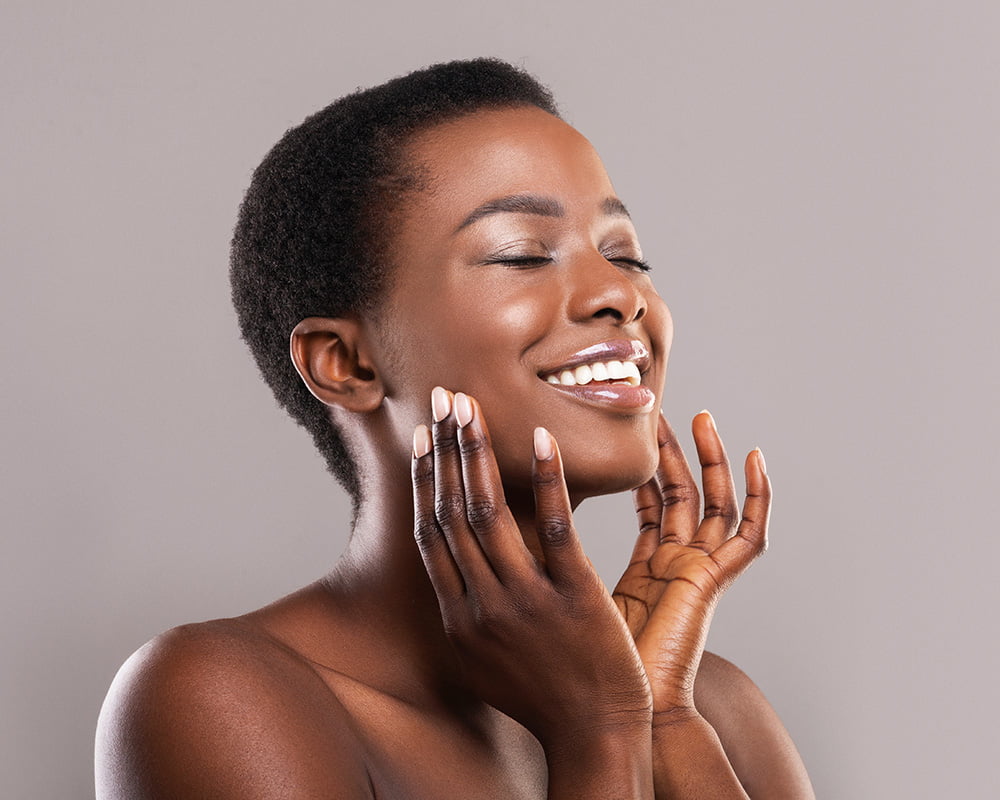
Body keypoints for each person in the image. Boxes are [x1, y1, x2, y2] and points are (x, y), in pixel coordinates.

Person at [95, 58, 814, 799]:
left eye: (625, 253)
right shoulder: (222, 697)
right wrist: (598, 730)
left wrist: (660, 718)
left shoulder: (710, 706)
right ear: (344, 362)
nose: (618, 294)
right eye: (523, 255)